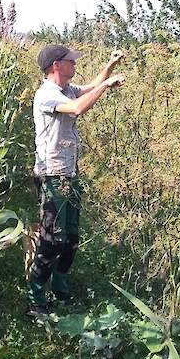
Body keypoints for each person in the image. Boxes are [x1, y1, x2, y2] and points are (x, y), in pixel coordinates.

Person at [26, 44, 124, 320]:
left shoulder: (65, 89)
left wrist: (109, 66)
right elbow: (78, 108)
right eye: (71, 61)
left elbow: (88, 88)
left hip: (69, 175)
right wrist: (106, 84)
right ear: (56, 65)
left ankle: (60, 287)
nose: (75, 64)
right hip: (51, 175)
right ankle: (35, 301)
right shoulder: (46, 95)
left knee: (70, 239)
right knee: (51, 241)